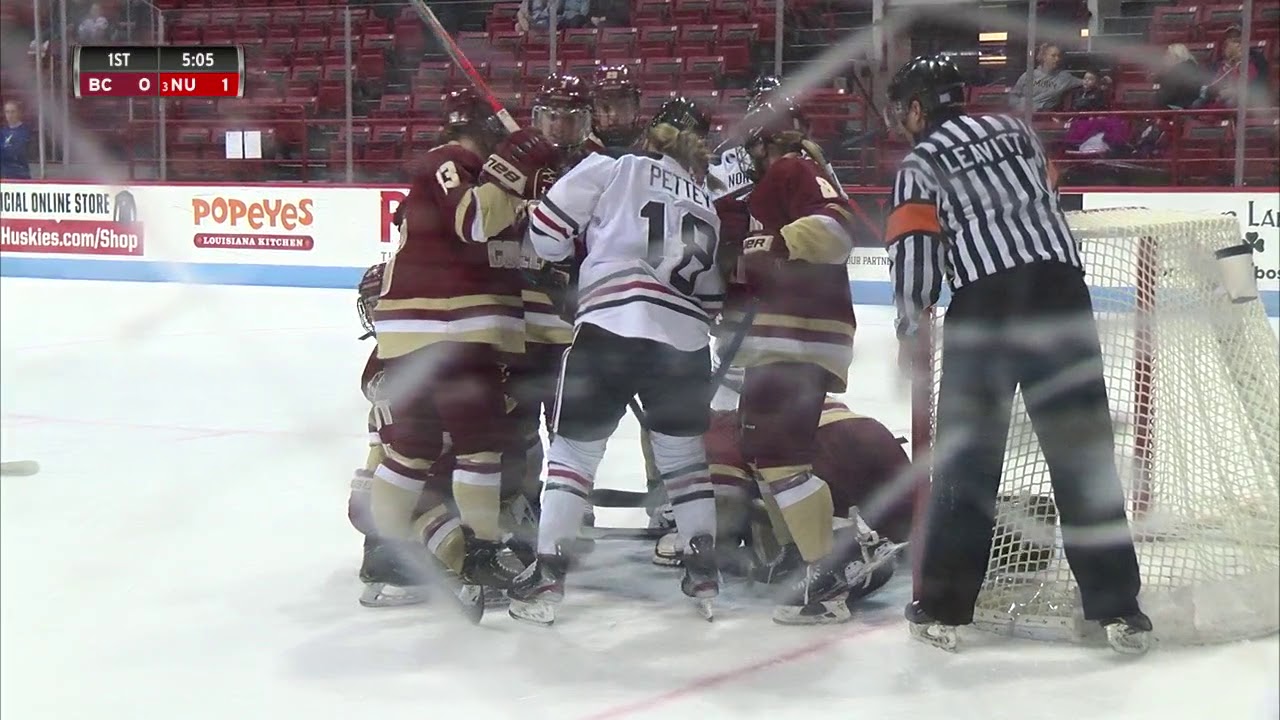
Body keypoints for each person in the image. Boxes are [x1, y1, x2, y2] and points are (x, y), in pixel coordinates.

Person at [883, 54, 1151, 654]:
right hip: (1061, 294)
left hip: (991, 303)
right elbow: (1045, 202)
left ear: (920, 107)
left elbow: (916, 255)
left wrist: (910, 328)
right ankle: (1119, 612)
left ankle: (946, 610)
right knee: (1081, 455)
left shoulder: (920, 162)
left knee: (969, 464)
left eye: (905, 109)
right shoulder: (1019, 131)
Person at [507, 98, 727, 626]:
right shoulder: (706, 201)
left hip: (611, 329)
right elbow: (714, 300)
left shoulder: (612, 166)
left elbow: (546, 236)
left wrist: (576, 255)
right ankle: (703, 569)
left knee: (573, 455)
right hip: (684, 343)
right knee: (685, 460)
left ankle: (548, 569)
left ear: (652, 132)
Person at [369, 87, 558, 594]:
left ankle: (384, 550)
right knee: (480, 445)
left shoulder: (445, 165)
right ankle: (483, 552)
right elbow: (473, 222)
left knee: (413, 449)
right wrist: (512, 170)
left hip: (411, 333)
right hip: (451, 327)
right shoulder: (451, 160)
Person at [725, 98, 858, 626]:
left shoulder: (793, 167)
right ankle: (800, 557)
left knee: (779, 457)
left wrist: (778, 245)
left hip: (798, 336)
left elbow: (838, 228)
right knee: (764, 451)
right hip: (786, 337)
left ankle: (824, 580)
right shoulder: (774, 181)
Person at [651, 368, 912, 606]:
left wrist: (695, 538)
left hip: (820, 451)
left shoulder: (716, 428)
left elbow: (725, 508)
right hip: (873, 434)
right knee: (915, 533)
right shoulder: (766, 393)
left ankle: (826, 563)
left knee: (781, 495)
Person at [1008, 43, 1083, 112]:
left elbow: (1087, 82)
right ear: (1044, 57)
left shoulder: (1064, 77)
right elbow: (1014, 95)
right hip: (1023, 113)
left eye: (1058, 56)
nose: (1057, 59)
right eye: (1053, 56)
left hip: (1045, 114)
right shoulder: (1028, 75)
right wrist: (1018, 106)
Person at [589, 64, 643, 149]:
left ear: (636, 108)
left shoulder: (652, 147)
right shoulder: (582, 154)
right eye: (605, 107)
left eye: (621, 106)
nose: (613, 115)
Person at [1155, 44, 1203, 110]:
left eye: (1167, 55)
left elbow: (1166, 97)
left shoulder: (1176, 73)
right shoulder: (1192, 68)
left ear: (1176, 57)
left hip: (1178, 109)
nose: (1164, 57)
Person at [1, 101, 32, 179]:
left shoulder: (25, 131)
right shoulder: (2, 131)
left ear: (18, 113)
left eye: (13, 112)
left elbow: (17, 151)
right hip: (4, 174)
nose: (10, 115)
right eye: (7, 112)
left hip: (20, 174)